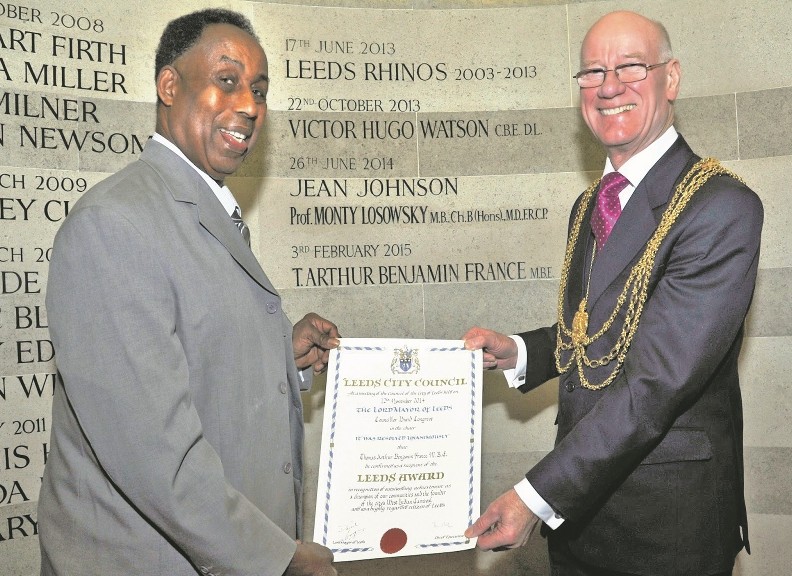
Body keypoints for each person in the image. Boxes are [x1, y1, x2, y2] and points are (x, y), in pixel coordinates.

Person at [38, 9, 338, 576]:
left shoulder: (201, 207)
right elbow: (155, 453)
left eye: (259, 90)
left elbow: (193, 351)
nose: (249, 105)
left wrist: (281, 353)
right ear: (169, 85)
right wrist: (277, 558)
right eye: (227, 80)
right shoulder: (116, 223)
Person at [463, 10, 762, 576]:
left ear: (670, 79)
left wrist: (533, 498)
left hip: (668, 527)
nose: (609, 87)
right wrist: (522, 351)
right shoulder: (592, 204)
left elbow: (656, 378)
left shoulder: (720, 206)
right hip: (579, 519)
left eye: (630, 67)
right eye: (593, 72)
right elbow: (606, 326)